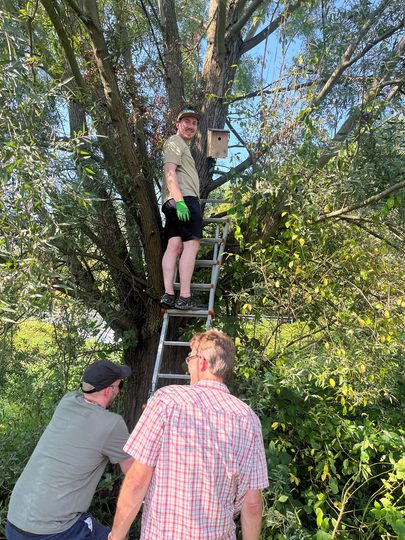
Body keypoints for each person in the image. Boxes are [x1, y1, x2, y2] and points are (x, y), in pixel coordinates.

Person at [109, 330, 269, 540]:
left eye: (190, 359)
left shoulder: (166, 401)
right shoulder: (248, 418)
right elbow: (253, 504)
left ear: (201, 362)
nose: (188, 366)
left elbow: (137, 480)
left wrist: (116, 537)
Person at [6, 360, 134, 540]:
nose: (120, 389)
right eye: (119, 385)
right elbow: (134, 473)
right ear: (109, 390)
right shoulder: (112, 424)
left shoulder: (67, 401)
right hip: (53, 531)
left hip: (14, 521)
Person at [159, 108, 205, 311]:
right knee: (191, 245)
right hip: (183, 199)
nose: (190, 126)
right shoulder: (174, 142)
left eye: (194, 123)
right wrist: (180, 201)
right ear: (177, 124)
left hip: (174, 200)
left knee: (175, 246)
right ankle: (184, 296)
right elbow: (170, 172)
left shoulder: (180, 146)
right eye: (186, 121)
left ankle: (169, 295)